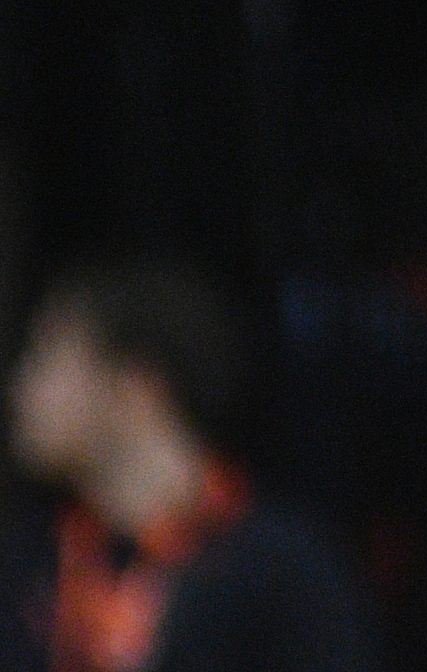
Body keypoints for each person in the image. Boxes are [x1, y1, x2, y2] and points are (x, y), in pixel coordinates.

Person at [0, 262, 381, 672]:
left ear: (136, 382)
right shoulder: (31, 564)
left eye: (47, 359)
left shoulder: (280, 573)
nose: (20, 389)